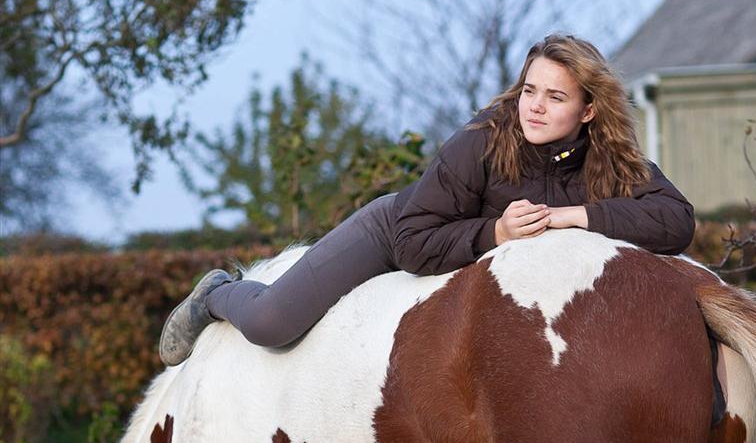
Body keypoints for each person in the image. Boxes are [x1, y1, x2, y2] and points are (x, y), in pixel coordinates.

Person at [158, 34, 696, 365]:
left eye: (555, 97)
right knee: (273, 324)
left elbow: (676, 221)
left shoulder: (609, 161)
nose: (534, 107)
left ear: (587, 111)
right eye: (529, 90)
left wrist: (575, 216)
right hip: (401, 230)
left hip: (464, 254)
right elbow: (415, 241)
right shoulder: (480, 141)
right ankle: (217, 296)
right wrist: (498, 234)